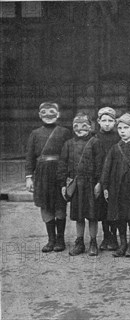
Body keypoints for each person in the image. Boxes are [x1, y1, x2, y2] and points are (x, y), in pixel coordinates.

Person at [25, 102, 72, 253]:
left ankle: (60, 239)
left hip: (59, 172)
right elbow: (30, 157)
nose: (48, 115)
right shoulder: (35, 133)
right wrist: (29, 177)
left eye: (52, 112)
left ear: (58, 114)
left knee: (60, 205)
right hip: (42, 174)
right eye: (44, 113)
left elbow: (70, 154)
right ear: (39, 115)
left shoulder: (64, 132)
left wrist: (68, 176)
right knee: (45, 206)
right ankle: (51, 240)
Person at [101, 113, 130, 257]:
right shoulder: (115, 148)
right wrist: (105, 187)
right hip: (116, 188)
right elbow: (106, 169)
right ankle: (122, 244)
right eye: (120, 128)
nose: (122, 131)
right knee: (119, 217)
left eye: (126, 128)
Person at [58, 113, 99, 256]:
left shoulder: (95, 142)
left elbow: (100, 164)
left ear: (90, 127)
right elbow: (62, 164)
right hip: (76, 184)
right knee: (79, 216)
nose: (79, 129)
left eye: (84, 125)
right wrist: (63, 183)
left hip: (91, 183)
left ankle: (93, 243)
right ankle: (80, 242)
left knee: (93, 215)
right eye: (76, 126)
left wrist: (99, 183)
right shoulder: (68, 144)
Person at [93, 107, 121, 251]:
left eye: (110, 120)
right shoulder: (95, 138)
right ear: (98, 121)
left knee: (113, 208)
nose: (107, 123)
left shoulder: (118, 137)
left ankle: (114, 237)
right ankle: (106, 236)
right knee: (102, 209)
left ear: (115, 122)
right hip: (99, 177)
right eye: (104, 120)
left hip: (115, 177)